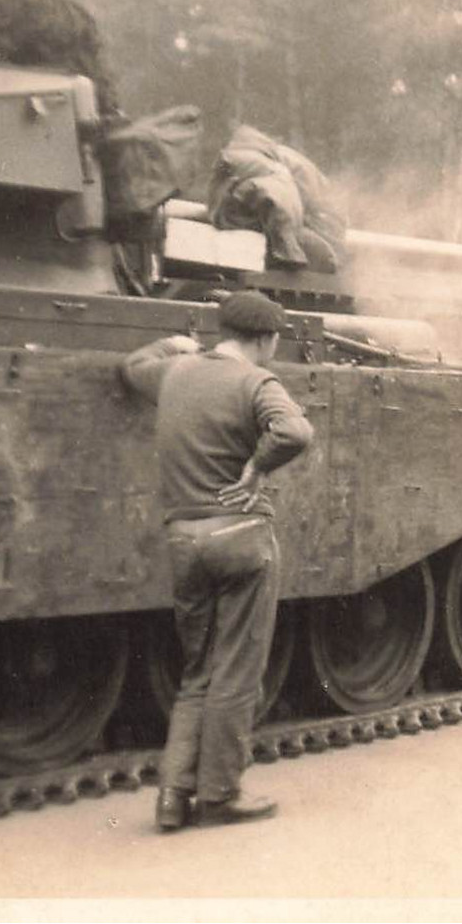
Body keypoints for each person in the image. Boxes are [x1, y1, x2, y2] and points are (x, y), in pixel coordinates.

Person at [121, 290, 314, 830]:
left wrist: (173, 343)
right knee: (236, 672)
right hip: (240, 538)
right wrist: (257, 467)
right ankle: (220, 794)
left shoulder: (177, 372)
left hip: (184, 540)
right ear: (267, 338)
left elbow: (132, 366)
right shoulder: (257, 382)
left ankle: (172, 795)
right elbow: (296, 431)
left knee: (198, 672)